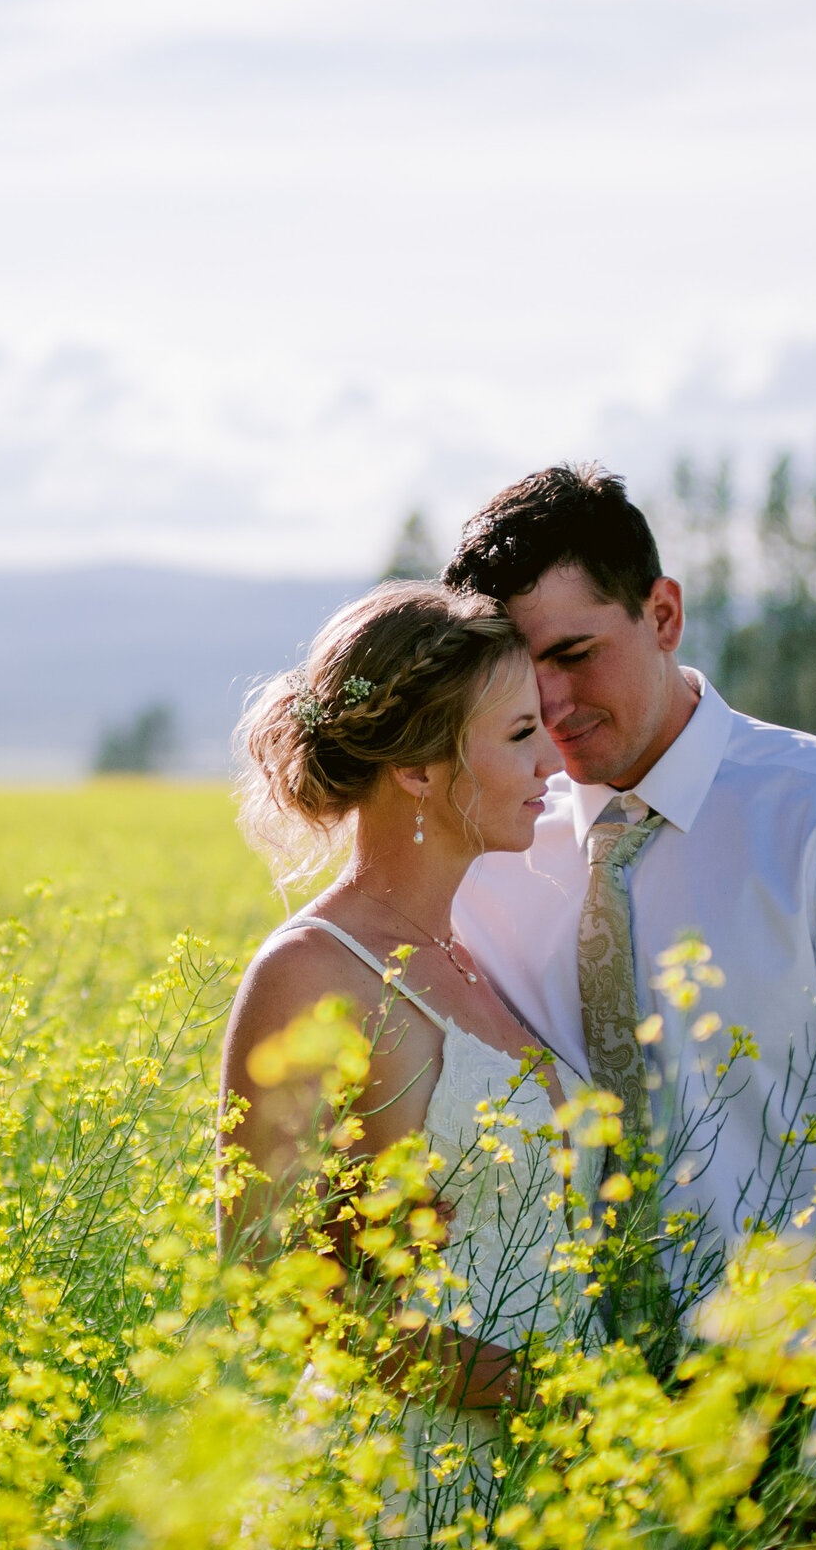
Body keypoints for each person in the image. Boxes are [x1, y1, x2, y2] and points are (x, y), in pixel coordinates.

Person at [441, 463, 816, 1493]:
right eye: (521, 670)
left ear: (663, 613)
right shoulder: (486, 850)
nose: (551, 702)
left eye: (574, 651)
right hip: (574, 1453)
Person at [219, 581, 583, 1534]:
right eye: (516, 736)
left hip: (535, 1487)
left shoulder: (479, 956)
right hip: (394, 1481)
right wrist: (539, 1392)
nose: (550, 759)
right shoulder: (311, 974)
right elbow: (266, 1295)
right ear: (420, 769)